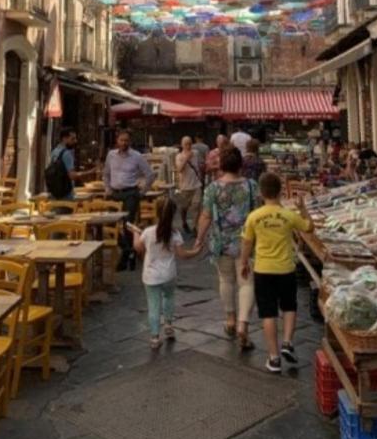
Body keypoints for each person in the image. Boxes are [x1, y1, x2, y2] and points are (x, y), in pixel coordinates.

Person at [240, 172, 313, 373]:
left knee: (268, 313)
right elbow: (309, 228)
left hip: (263, 269)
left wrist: (244, 262)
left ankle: (273, 358)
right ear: (280, 192)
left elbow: (247, 242)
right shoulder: (288, 215)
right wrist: (303, 209)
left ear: (261, 193)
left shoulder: (254, 217)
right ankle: (287, 342)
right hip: (286, 268)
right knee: (289, 307)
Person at [195, 146, 258, 351]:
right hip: (246, 242)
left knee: (226, 280)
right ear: (241, 164)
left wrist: (199, 238)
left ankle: (230, 319)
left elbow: (205, 216)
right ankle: (243, 325)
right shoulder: (251, 186)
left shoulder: (213, 188)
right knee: (246, 283)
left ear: (222, 165)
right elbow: (258, 213)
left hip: (221, 241)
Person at [132, 196, 202, 350]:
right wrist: (196, 251)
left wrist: (136, 232)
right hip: (169, 273)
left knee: (153, 305)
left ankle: (155, 337)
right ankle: (169, 325)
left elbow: (138, 247)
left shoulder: (148, 232)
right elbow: (182, 254)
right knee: (169, 298)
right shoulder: (175, 234)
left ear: (156, 212)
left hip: (151, 276)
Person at [104, 130, 156, 271]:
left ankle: (125, 258)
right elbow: (106, 174)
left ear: (130, 142)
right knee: (108, 223)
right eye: (121, 140)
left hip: (130, 193)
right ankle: (127, 249)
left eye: (126, 140)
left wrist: (142, 192)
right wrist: (107, 189)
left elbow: (150, 175)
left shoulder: (137, 156)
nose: (124, 143)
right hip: (115, 194)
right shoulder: (111, 155)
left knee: (128, 225)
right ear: (117, 141)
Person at [45, 128, 96, 203]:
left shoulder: (55, 152)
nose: (75, 141)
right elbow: (72, 175)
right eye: (72, 139)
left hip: (54, 193)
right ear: (64, 139)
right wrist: (89, 172)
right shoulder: (67, 154)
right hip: (66, 195)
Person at [174, 136, 202, 235]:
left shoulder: (196, 153)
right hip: (185, 186)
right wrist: (186, 159)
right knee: (184, 207)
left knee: (196, 205)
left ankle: (195, 227)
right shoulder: (179, 156)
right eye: (186, 144)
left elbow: (199, 166)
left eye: (190, 143)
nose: (188, 146)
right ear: (182, 145)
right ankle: (184, 222)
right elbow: (179, 170)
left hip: (196, 184)